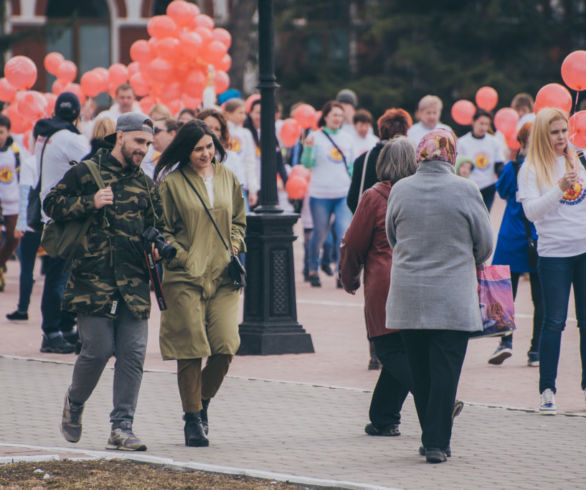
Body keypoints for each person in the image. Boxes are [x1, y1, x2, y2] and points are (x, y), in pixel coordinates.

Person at [45, 112, 162, 451]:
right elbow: (51, 202)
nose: (144, 149)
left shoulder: (145, 183)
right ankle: (75, 401)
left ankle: (121, 428)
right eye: (139, 142)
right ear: (120, 137)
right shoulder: (87, 172)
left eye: (148, 144)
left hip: (134, 281)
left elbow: (159, 226)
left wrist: (156, 247)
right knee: (97, 351)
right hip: (93, 280)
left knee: (133, 354)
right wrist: (89, 202)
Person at [385, 129, 493, 463]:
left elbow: (392, 237)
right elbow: (486, 244)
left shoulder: (401, 189)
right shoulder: (466, 189)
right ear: (451, 155)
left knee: (420, 371)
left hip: (408, 295)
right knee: (446, 371)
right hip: (451, 297)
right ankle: (436, 442)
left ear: (420, 154)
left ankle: (431, 438)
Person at [155, 120, 246, 447]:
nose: (205, 153)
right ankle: (192, 418)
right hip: (184, 276)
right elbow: (162, 229)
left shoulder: (227, 176)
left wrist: (234, 246)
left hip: (223, 275)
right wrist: (180, 256)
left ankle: (202, 402)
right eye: (198, 149)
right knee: (190, 348)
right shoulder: (172, 183)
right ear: (185, 150)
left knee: (225, 345)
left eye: (209, 146)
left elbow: (238, 219)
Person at [340, 137, 417, 436]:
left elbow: (353, 243)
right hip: (417, 281)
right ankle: (384, 418)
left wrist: (349, 278)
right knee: (402, 351)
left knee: (387, 350)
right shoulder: (418, 194)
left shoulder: (373, 196)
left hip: (384, 282)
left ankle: (439, 398)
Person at [517, 107, 586, 414]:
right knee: (554, 322)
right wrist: (559, 188)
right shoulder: (531, 168)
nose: (561, 138)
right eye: (554, 132)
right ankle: (547, 389)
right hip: (554, 254)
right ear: (544, 135)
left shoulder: (581, 158)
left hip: (584, 249)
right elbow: (531, 212)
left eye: (563, 131)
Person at [34, 92, 90, 354]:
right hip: (65, 215)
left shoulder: (45, 133)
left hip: (49, 212)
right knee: (60, 278)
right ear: (78, 115)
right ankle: (53, 333)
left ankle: (63, 329)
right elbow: (93, 164)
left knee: (61, 276)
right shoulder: (71, 138)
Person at [491, 122, 543, 367]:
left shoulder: (512, 168)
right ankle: (536, 349)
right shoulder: (544, 167)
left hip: (511, 234)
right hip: (537, 235)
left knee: (504, 293)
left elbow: (501, 191)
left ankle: (505, 341)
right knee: (540, 297)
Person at [302, 101, 354, 288]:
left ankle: (342, 273)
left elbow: (352, 167)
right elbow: (306, 164)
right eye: (334, 115)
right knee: (319, 233)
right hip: (320, 193)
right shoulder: (314, 137)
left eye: (340, 115)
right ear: (325, 117)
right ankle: (313, 269)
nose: (337, 118)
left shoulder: (348, 138)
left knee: (343, 234)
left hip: (342, 193)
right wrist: (307, 149)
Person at [347, 108, 413, 213]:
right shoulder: (410, 161)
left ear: (380, 130)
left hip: (369, 221)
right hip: (399, 223)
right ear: (405, 133)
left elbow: (352, 200)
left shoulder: (363, 160)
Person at [0, 115, 29, 291]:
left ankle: (1, 263)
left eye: (1, 132)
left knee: (13, 237)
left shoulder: (16, 152)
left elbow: (23, 176)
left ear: (8, 132)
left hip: (12, 202)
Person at [457, 109, 505, 211]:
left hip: (488, 187)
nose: (483, 127)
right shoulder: (462, 142)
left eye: (486, 124)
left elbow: (499, 166)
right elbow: (458, 167)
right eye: (481, 123)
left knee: (485, 217)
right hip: (469, 187)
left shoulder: (494, 142)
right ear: (473, 122)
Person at [223, 98, 259, 210]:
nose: (244, 117)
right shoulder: (221, 131)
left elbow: (250, 162)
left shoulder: (246, 134)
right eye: (240, 113)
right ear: (228, 114)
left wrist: (253, 190)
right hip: (222, 182)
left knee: (241, 221)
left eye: (244, 113)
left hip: (239, 184)